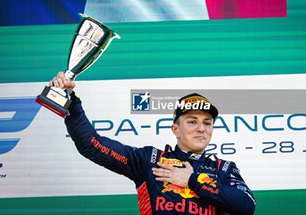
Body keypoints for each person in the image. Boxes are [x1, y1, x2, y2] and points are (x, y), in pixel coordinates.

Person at [50, 72, 256, 215]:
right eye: (192, 121)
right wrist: (71, 102)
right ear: (175, 129)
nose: (201, 128)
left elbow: (246, 207)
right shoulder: (149, 160)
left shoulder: (224, 168)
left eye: (207, 122)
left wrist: (193, 180)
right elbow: (92, 145)